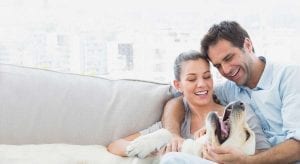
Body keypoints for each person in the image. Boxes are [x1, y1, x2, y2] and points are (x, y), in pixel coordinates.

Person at [161, 21, 300, 164]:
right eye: (218, 66)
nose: (226, 70)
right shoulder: (230, 89)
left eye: (228, 58)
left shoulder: (290, 77)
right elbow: (180, 98)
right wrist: (172, 134)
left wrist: (246, 161)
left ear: (247, 45)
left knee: (172, 160)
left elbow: (298, 145)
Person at [107, 50, 269, 160]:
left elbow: (265, 153)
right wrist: (151, 149)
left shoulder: (237, 115)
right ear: (178, 85)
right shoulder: (173, 127)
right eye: (192, 79)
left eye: (207, 77)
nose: (202, 84)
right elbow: (115, 146)